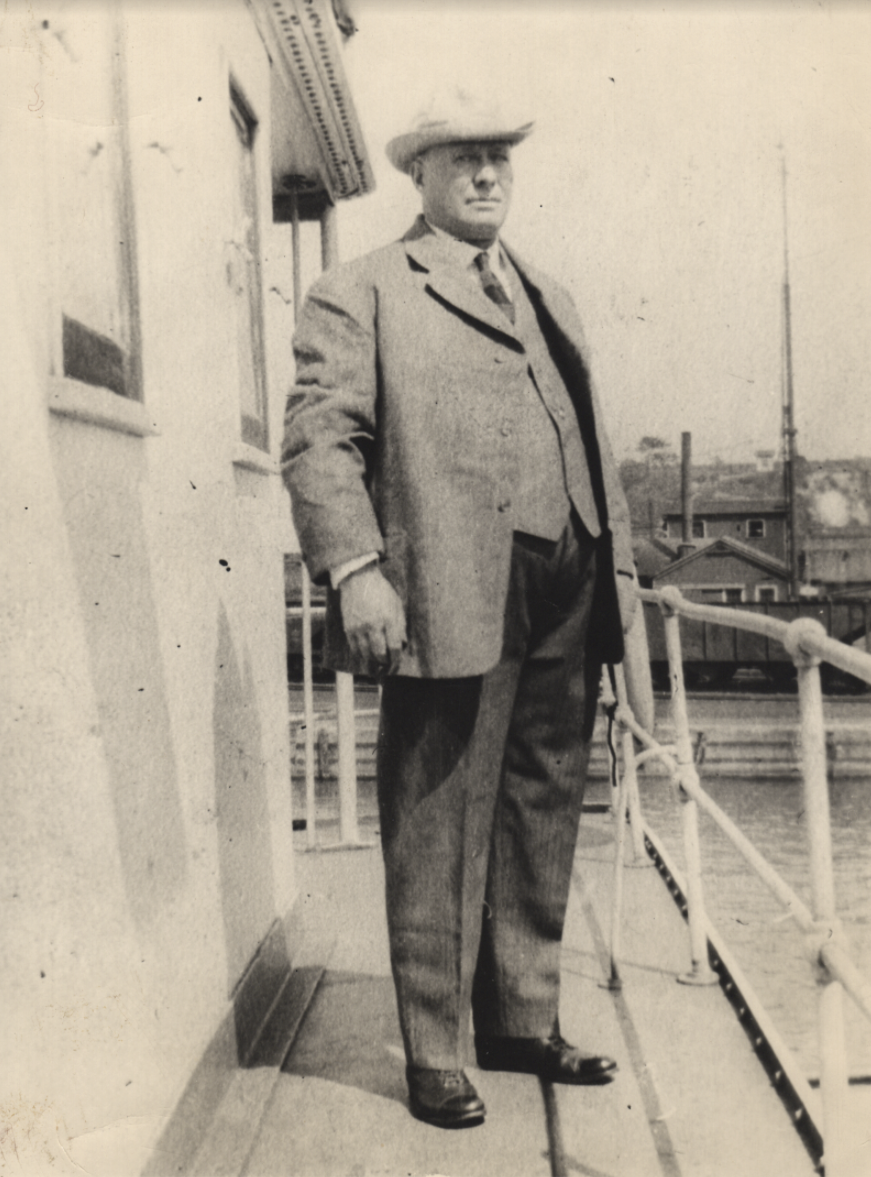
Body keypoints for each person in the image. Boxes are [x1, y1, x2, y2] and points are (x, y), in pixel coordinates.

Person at [281, 90, 638, 1130]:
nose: (486, 176)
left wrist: (608, 569)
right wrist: (356, 568)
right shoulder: (362, 291)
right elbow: (318, 443)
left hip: (567, 577)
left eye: (498, 161)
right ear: (421, 177)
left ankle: (520, 1017)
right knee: (437, 818)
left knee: (543, 798)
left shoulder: (547, 292)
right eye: (462, 161)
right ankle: (433, 1049)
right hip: (445, 583)